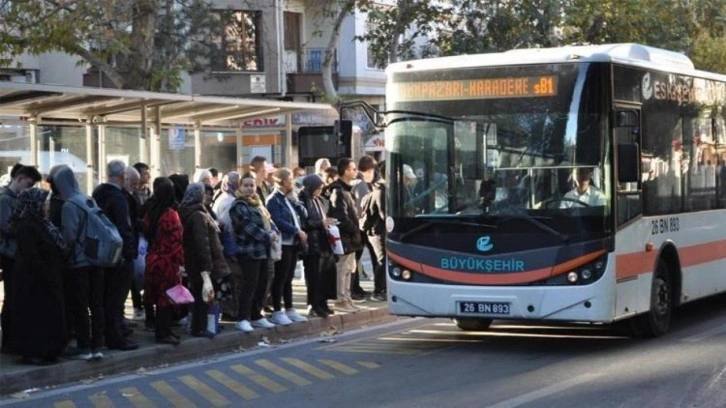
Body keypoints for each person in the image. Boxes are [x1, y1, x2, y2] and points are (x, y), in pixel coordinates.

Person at [9, 188, 69, 365]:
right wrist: (45, 270)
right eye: (44, 204)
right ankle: (35, 351)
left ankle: (50, 349)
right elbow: (31, 254)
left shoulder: (42, 223)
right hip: (33, 280)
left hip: (48, 277)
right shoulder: (26, 226)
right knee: (35, 317)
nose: (47, 207)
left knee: (49, 315)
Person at [53, 165, 105, 360]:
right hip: (96, 258)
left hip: (79, 261)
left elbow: (69, 236)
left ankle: (84, 347)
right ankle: (97, 344)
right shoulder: (88, 199)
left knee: (80, 305)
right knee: (97, 303)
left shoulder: (70, 205)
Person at [93, 160, 139, 351]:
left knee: (106, 298)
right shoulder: (119, 198)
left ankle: (105, 334)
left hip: (101, 253)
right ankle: (116, 337)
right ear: (123, 176)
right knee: (117, 299)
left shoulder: (97, 193)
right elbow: (124, 227)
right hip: (119, 255)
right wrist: (129, 253)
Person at [0, 163, 42, 354]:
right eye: (28, 184)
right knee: (12, 297)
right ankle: (9, 340)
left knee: (15, 297)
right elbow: (8, 227)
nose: (29, 189)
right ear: (19, 179)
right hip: (9, 254)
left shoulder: (12, 199)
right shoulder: (4, 200)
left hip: (15, 253)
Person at [229, 173, 279, 332]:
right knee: (249, 285)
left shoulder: (257, 203)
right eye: (246, 185)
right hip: (249, 250)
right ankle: (242, 318)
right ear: (239, 187)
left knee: (262, 284)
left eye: (252, 185)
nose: (249, 188)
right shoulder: (238, 205)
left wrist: (274, 232)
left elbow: (269, 220)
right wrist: (267, 236)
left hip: (264, 250)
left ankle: (256, 315)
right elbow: (248, 227)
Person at [178, 183, 229, 338]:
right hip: (200, 264)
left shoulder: (185, 212)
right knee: (202, 297)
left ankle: (196, 326)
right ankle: (199, 327)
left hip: (191, 261)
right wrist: (206, 268)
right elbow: (203, 243)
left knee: (197, 295)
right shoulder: (198, 216)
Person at [143, 177, 185, 345]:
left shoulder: (151, 212)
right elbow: (176, 241)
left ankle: (162, 329)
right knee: (166, 298)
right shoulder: (171, 215)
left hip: (153, 258)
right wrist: (180, 262)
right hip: (168, 261)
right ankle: (163, 332)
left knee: (157, 296)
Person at [266, 168, 308, 325]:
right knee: (280, 278)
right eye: (290, 179)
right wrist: (296, 231)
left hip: (292, 243)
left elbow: (303, 214)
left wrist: (295, 200)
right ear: (282, 181)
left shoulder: (288, 198)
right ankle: (277, 310)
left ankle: (290, 308)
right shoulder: (274, 200)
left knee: (288, 278)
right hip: (283, 243)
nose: (293, 182)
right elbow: (277, 220)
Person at [327, 158, 364, 313]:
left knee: (350, 269)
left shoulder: (347, 190)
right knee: (342, 269)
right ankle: (340, 299)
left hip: (351, 237)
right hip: (344, 237)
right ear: (346, 171)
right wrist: (354, 229)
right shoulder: (338, 191)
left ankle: (347, 297)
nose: (356, 171)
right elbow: (340, 216)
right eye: (353, 169)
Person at [298, 174, 337, 317]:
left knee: (325, 275)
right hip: (313, 244)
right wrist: (321, 223)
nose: (320, 191)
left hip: (323, 241)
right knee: (314, 276)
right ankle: (314, 304)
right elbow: (304, 223)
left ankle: (323, 302)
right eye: (318, 188)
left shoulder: (318, 199)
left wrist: (327, 222)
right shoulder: (303, 200)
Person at [360, 160, 387, 301]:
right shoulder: (380, 190)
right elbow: (383, 214)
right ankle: (378, 291)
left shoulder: (380, 188)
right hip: (377, 231)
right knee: (381, 260)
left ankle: (383, 289)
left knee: (382, 260)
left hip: (378, 230)